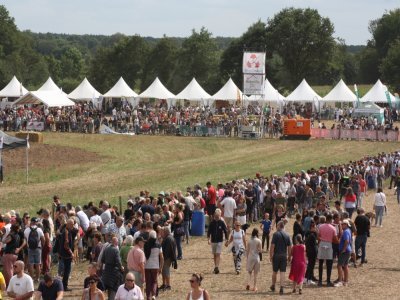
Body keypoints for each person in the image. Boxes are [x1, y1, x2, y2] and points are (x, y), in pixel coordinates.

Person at [269, 220, 292, 295]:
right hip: (284, 255)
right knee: (282, 272)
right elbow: (289, 247)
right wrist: (289, 256)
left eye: (277, 226)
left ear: (279, 226)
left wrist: (271, 256)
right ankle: (282, 287)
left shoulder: (275, 234)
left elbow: (272, 246)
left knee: (274, 272)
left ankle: (273, 285)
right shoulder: (287, 235)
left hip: (276, 255)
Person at [57, 218, 78, 291]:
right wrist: (71, 253)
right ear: (68, 224)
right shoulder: (66, 232)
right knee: (67, 271)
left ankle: (63, 285)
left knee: (65, 270)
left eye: (73, 224)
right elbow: (66, 245)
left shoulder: (67, 230)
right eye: (72, 224)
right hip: (66, 255)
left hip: (64, 254)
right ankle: (64, 286)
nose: (73, 226)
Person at [317, 214, 337, 287]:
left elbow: (318, 236)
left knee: (320, 263)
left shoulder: (321, 226)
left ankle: (320, 281)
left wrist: (320, 241)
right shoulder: (333, 228)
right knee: (329, 263)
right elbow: (335, 238)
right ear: (331, 219)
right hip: (329, 244)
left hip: (322, 243)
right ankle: (328, 281)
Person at [101, 236, 124, 300]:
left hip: (106, 271)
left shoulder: (106, 249)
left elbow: (102, 260)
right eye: (117, 242)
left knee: (108, 288)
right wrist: (121, 268)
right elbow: (118, 262)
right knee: (113, 289)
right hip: (114, 272)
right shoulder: (115, 250)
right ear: (115, 242)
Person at [207, 209, 228, 274]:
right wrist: (208, 239)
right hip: (213, 240)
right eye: (216, 216)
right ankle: (216, 266)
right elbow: (209, 231)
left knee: (218, 253)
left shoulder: (221, 222)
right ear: (214, 215)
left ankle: (216, 267)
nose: (217, 217)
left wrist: (226, 239)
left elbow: (225, 231)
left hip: (219, 240)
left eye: (218, 216)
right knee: (215, 255)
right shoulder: (212, 223)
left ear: (220, 215)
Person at [144, 231, 164, 300]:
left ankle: (148, 296)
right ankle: (153, 295)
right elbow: (161, 257)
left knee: (148, 282)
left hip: (147, 266)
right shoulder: (158, 244)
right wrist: (161, 267)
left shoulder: (146, 244)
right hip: (155, 266)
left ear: (149, 236)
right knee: (154, 281)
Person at [24, 217, 45, 282]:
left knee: (31, 264)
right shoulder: (39, 230)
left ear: (31, 222)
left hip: (30, 248)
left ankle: (31, 278)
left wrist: (26, 246)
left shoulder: (26, 230)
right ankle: (37, 278)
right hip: (38, 248)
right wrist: (42, 246)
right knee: (38, 264)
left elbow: (25, 240)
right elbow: (43, 239)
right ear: (36, 222)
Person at [334, 219, 352, 287]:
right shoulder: (348, 231)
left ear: (346, 225)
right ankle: (345, 281)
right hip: (348, 250)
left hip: (345, 251)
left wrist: (343, 249)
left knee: (339, 266)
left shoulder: (346, 232)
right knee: (345, 266)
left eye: (343, 224)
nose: (341, 225)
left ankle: (340, 281)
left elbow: (347, 241)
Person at [160, 226, 176, 291]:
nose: (162, 233)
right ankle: (164, 284)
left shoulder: (168, 239)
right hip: (167, 258)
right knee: (164, 271)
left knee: (166, 271)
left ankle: (168, 285)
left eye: (163, 231)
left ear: (166, 232)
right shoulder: (169, 238)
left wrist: (163, 258)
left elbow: (167, 250)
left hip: (167, 258)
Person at [304, 220, 318, 285]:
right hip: (313, 252)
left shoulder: (307, 233)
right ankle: (309, 280)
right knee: (311, 266)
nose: (316, 228)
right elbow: (315, 244)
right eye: (315, 227)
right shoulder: (313, 234)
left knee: (309, 265)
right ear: (312, 227)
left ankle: (305, 278)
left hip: (308, 251)